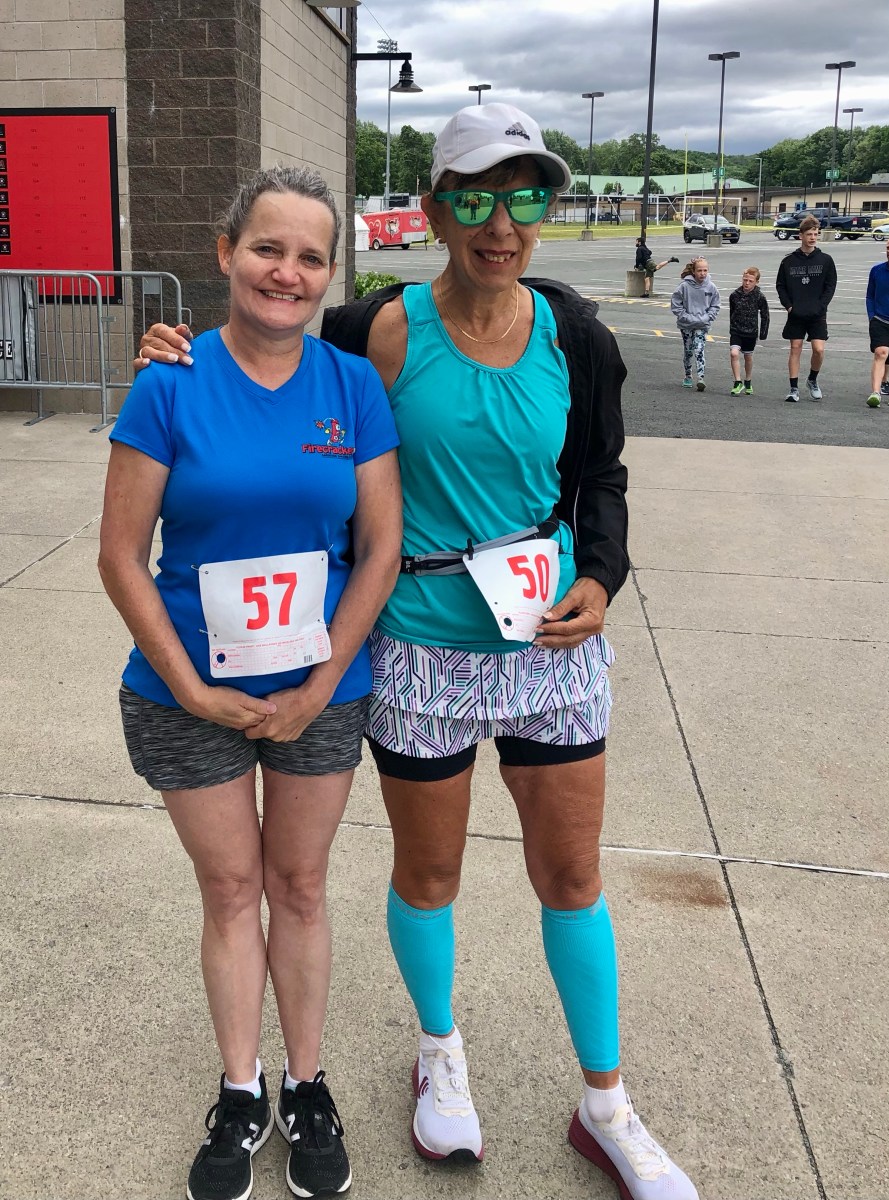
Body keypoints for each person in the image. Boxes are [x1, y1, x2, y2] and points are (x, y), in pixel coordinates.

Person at [138, 103, 700, 1200]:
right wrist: (179, 352)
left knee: (571, 873)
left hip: (546, 640)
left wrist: (600, 575)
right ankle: (439, 1056)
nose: (502, 223)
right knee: (430, 872)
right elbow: (271, 349)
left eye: (526, 196)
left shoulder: (575, 335)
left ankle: (607, 1103)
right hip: (420, 646)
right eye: (477, 198)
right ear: (436, 211)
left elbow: (599, 476)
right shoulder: (380, 332)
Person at [100, 165, 402, 1200]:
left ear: (329, 274)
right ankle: (241, 1090)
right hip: (186, 694)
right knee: (230, 891)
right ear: (227, 253)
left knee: (300, 888)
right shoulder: (169, 382)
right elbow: (119, 554)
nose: (287, 272)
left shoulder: (351, 387)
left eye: (310, 257)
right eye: (267, 248)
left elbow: (380, 548)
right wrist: (189, 688)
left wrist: (322, 682)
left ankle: (307, 1083)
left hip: (320, 691)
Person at [775, 214, 837, 403]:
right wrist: (789, 306)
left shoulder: (826, 260)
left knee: (819, 349)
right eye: (809, 234)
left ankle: (812, 380)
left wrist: (821, 305)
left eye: (815, 234)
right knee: (795, 347)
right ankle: (793, 389)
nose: (812, 237)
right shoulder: (788, 261)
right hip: (797, 313)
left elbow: (830, 285)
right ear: (801, 235)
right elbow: (781, 286)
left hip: (817, 313)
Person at [670, 257, 720, 392]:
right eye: (699, 270)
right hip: (686, 324)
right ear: (693, 271)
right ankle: (688, 375)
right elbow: (676, 305)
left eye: (705, 270)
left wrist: (707, 317)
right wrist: (686, 317)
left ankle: (701, 377)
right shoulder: (684, 287)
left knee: (699, 348)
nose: (702, 273)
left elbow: (715, 305)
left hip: (702, 324)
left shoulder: (711, 287)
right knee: (688, 350)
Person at [728, 267, 770, 395]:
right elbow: (732, 312)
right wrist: (732, 327)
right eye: (745, 280)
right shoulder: (734, 295)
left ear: (756, 282)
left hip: (750, 331)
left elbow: (765, 315)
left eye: (750, 281)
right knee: (734, 353)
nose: (747, 283)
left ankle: (748, 379)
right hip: (736, 330)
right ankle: (737, 381)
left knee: (748, 356)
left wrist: (763, 333)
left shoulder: (759, 296)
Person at [865, 235, 889, 407]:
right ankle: (875, 392)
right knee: (881, 353)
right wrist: (872, 316)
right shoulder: (876, 270)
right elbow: (870, 295)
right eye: (888, 248)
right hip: (880, 320)